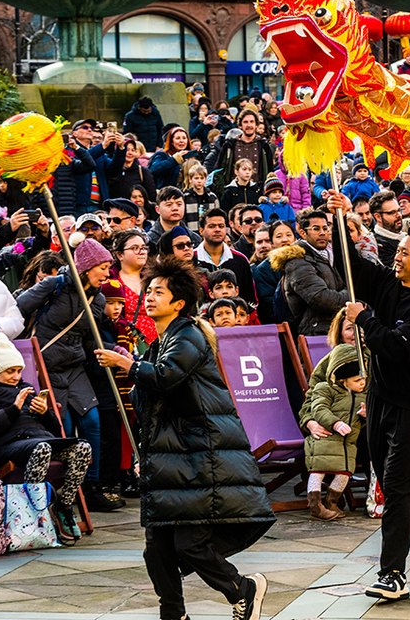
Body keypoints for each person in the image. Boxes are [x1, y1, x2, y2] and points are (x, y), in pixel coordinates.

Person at [95, 258, 275, 620]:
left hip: (198, 455)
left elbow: (167, 377)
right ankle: (173, 613)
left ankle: (242, 588)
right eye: (148, 291)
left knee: (190, 543)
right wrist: (134, 368)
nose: (149, 297)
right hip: (169, 457)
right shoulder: (160, 342)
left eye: (158, 292)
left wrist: (128, 366)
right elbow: (148, 395)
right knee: (157, 547)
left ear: (178, 303)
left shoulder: (188, 335)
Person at [325, 190, 410, 603]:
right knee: (395, 482)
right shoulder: (388, 282)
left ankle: (391, 573)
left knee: (398, 489)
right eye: (398, 250)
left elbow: (400, 349)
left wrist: (365, 319)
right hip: (380, 398)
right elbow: (349, 265)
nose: (398, 257)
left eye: (405, 252)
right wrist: (340, 219)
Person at [17, 238, 123, 511]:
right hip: (45, 366)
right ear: (86, 267)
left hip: (74, 367)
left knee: (92, 421)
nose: (107, 273)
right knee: (61, 424)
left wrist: (113, 349)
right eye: (102, 267)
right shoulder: (54, 285)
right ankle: (62, 487)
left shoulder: (98, 299)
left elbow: (88, 340)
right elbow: (17, 310)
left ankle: (91, 487)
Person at [0, 332, 93, 541]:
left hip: (36, 439)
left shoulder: (25, 388)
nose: (16, 376)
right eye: (10, 371)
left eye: (19, 371)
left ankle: (64, 505)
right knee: (42, 448)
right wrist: (13, 408)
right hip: (5, 445)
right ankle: (33, 510)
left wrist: (45, 413)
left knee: (82, 447)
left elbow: (55, 431)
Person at [299, 343, 366, 520]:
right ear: (343, 380)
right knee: (318, 470)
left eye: (363, 379)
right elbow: (318, 408)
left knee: (344, 473)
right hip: (325, 437)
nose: (362, 383)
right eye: (357, 380)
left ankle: (331, 501)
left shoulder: (362, 395)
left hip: (347, 444)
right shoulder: (325, 388)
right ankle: (314, 504)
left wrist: (366, 415)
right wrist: (333, 423)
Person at [271, 209, 347, 336]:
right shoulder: (296, 262)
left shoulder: (332, 255)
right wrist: (353, 296)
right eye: (316, 229)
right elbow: (321, 299)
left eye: (325, 228)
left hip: (337, 328)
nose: (322, 233)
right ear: (302, 233)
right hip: (316, 333)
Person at [195, 208, 256, 305]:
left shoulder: (240, 259)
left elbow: (250, 298)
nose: (217, 230)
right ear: (201, 230)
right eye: (212, 226)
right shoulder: (191, 259)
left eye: (221, 226)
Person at [369, 190, 404, 267]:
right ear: (378, 217)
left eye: (399, 210)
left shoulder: (405, 236)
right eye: (392, 212)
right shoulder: (377, 244)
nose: (399, 215)